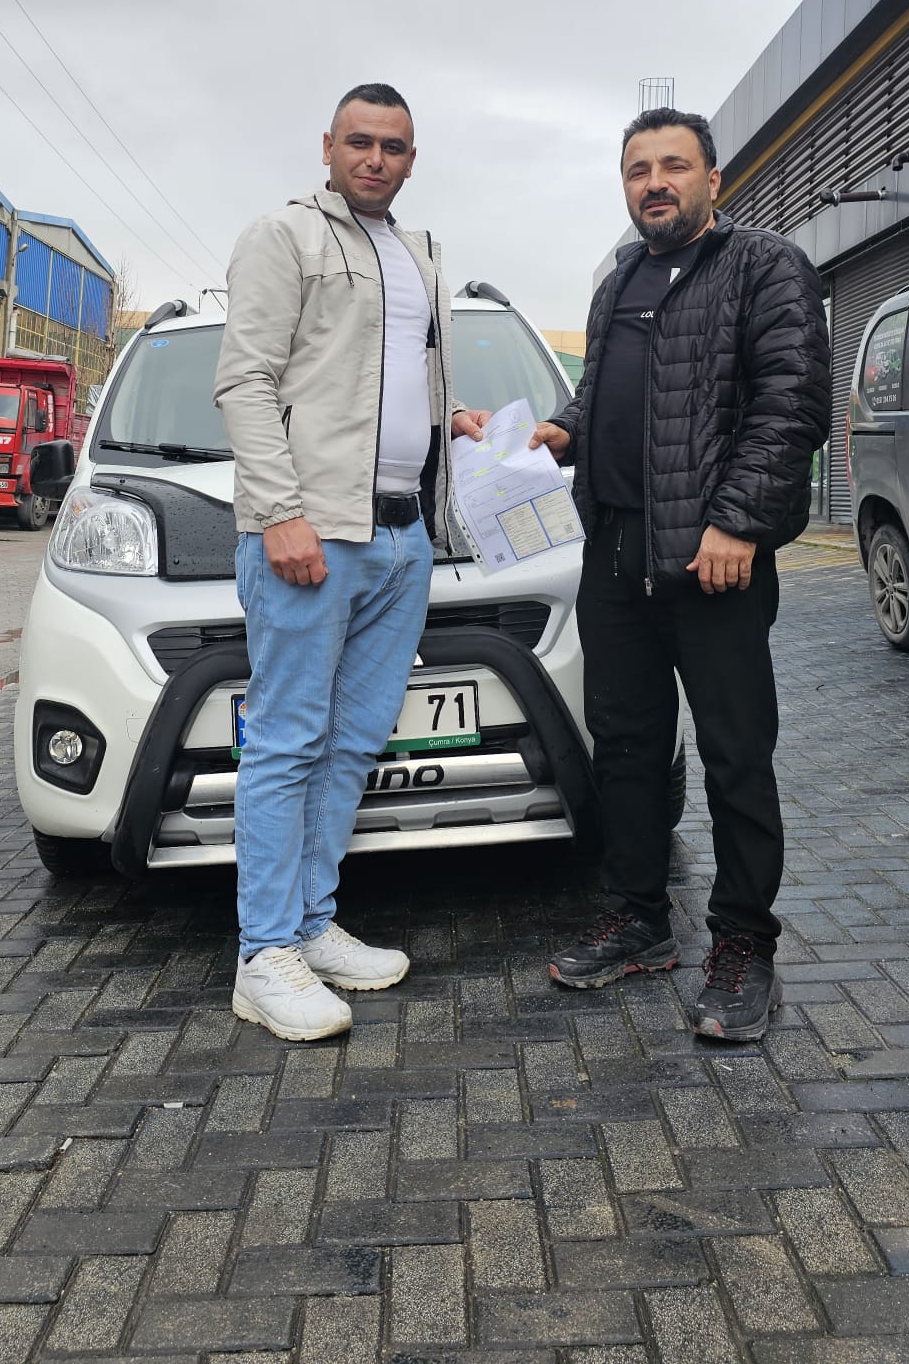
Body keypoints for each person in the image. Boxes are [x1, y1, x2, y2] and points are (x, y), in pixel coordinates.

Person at [531, 107, 830, 1039]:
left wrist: (737, 521)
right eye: (638, 170)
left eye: (673, 166)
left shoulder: (763, 265)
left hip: (713, 562)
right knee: (626, 747)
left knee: (736, 753)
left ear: (712, 179)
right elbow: (601, 396)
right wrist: (558, 432)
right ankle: (638, 918)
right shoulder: (620, 278)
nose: (654, 182)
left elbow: (791, 404)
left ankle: (743, 944)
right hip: (615, 554)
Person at [215, 84, 489, 1042]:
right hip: (315, 532)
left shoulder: (417, 253)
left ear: (413, 158)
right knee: (287, 741)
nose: (376, 158)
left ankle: (310, 925)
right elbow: (245, 380)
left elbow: (391, 377)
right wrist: (280, 511)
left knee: (352, 741)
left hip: (404, 536)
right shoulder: (283, 236)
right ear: (328, 145)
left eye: (394, 146)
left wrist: (450, 418)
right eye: (360, 142)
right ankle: (263, 955)